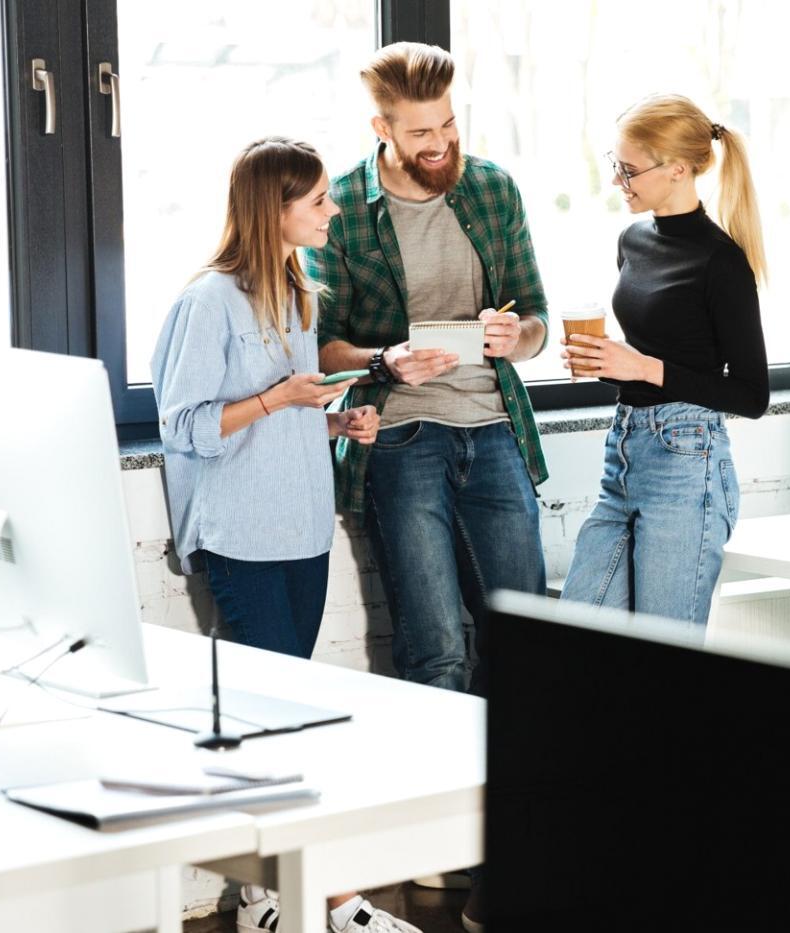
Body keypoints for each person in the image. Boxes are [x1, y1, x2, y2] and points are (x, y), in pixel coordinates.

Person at [152, 137, 412, 933]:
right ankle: (325, 901)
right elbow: (184, 424)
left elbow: (287, 408)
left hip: (302, 529)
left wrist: (334, 418)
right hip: (241, 536)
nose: (333, 210)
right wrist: (276, 399)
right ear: (276, 209)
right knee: (273, 724)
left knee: (289, 719)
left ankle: (274, 896)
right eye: (319, 201)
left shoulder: (300, 291)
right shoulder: (207, 302)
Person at [307, 41, 551, 697]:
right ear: (381, 130)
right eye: (421, 132)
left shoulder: (492, 190)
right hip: (401, 435)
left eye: (447, 123)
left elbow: (536, 321)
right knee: (436, 647)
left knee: (527, 639)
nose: (441, 142)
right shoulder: (343, 209)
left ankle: (519, 793)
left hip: (496, 428)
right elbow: (321, 348)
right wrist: (384, 360)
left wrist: (513, 335)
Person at [559, 94, 770, 626]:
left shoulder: (721, 262)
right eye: (616, 167)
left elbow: (752, 395)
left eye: (629, 171)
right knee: (573, 634)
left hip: (687, 461)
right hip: (625, 450)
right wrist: (605, 362)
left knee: (663, 665)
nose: (618, 182)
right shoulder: (632, 239)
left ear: (678, 169)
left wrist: (643, 368)